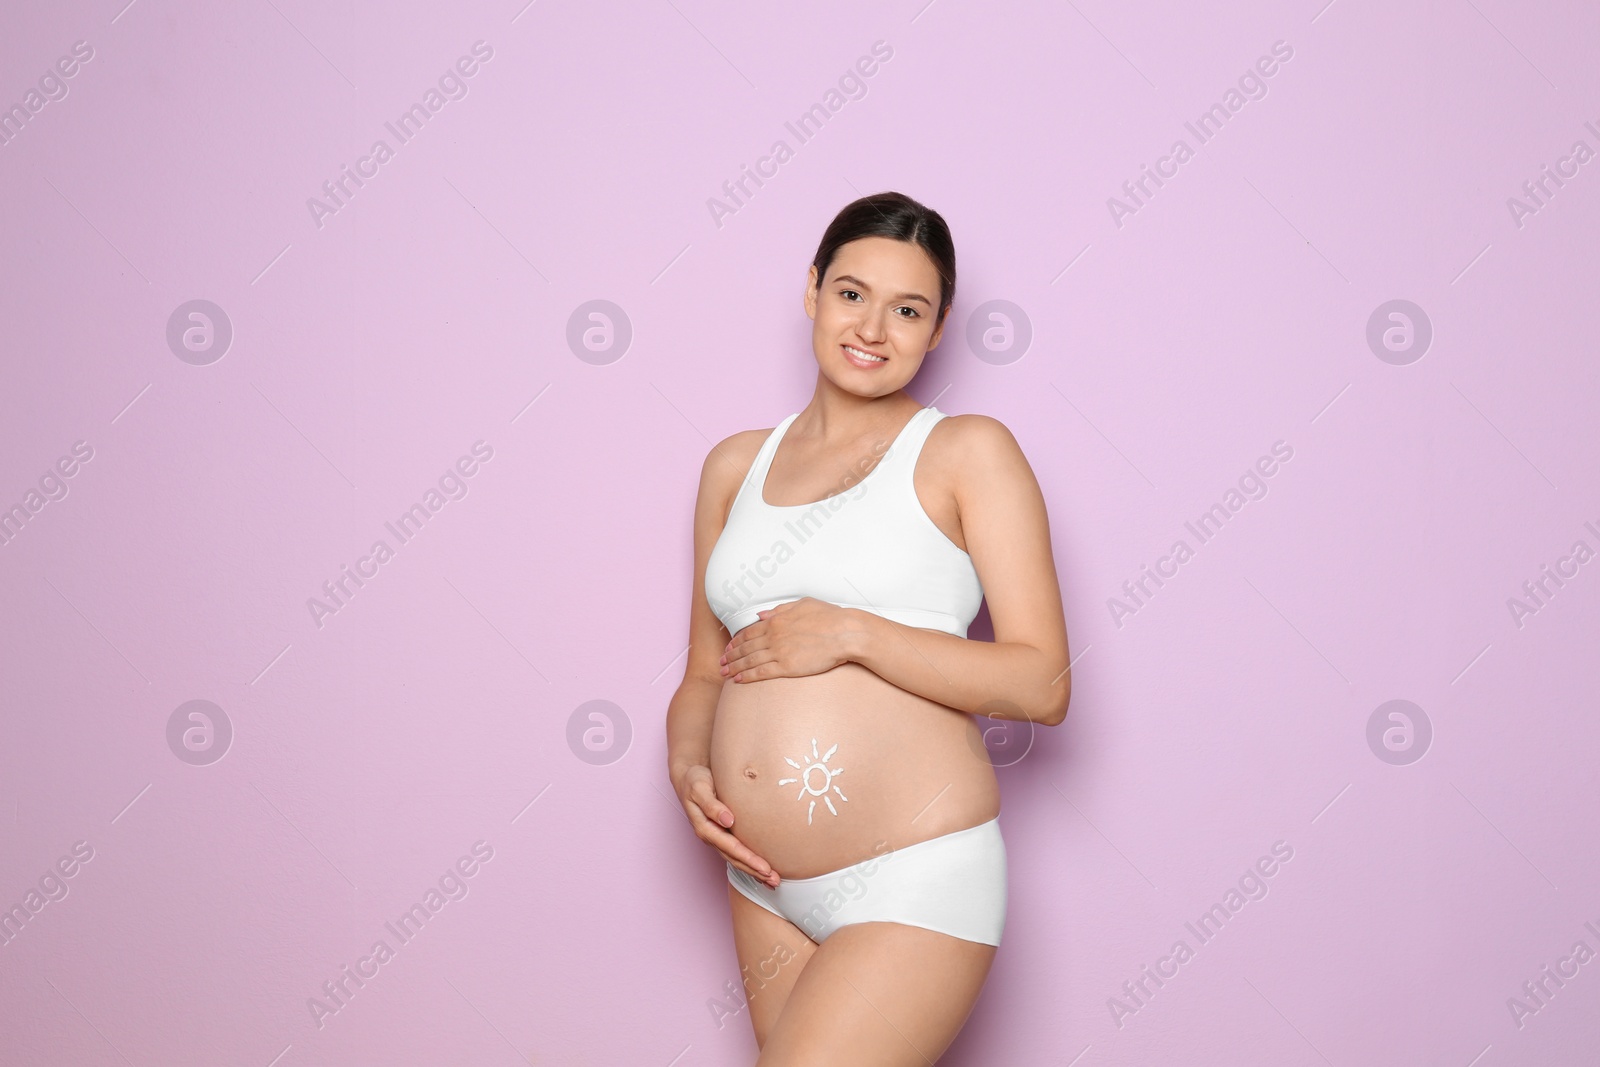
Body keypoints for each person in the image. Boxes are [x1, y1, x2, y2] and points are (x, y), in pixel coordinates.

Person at [666, 190, 1071, 1064]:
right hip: (762, 882)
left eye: (908, 309)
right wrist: (688, 764)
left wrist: (853, 632)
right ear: (811, 290)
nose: (873, 328)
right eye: (852, 293)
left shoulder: (967, 451)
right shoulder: (735, 466)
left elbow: (1042, 683)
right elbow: (704, 670)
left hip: (915, 871)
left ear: (938, 327)